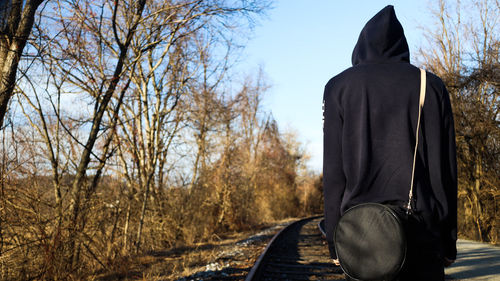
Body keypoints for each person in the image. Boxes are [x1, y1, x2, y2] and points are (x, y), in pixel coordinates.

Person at [322, 5, 457, 281]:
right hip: (422, 237)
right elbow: (444, 173)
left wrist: (336, 243)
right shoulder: (429, 86)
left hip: (361, 242)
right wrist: (448, 241)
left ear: (361, 45)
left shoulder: (338, 88)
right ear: (401, 46)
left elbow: (334, 175)